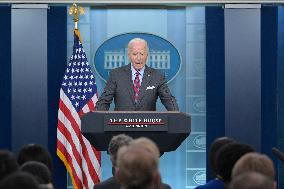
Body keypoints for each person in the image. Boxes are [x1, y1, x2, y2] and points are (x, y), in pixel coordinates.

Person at [96, 38, 179, 111]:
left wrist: (177, 115)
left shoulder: (157, 76)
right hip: (121, 126)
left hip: (148, 126)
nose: (138, 58)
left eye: (142, 54)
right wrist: (97, 119)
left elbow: (168, 99)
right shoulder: (116, 74)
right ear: (129, 55)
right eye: (135, 54)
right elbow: (104, 101)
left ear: (147, 55)